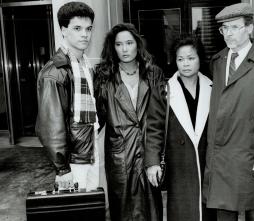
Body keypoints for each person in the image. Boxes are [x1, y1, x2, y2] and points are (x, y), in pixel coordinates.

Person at [202, 3, 254, 221]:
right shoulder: (218, 61)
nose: (228, 34)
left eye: (234, 27)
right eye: (224, 28)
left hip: (251, 158)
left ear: (250, 28)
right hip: (221, 160)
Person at [94, 23, 163, 221]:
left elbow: (160, 116)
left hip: (149, 153)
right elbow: (97, 118)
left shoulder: (153, 73)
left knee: (152, 210)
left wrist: (156, 154)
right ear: (112, 47)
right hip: (120, 156)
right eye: (119, 44)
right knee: (123, 212)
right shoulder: (104, 76)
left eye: (129, 43)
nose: (124, 49)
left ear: (137, 45)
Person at [145, 35, 214, 221]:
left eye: (191, 58)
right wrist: (152, 162)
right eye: (180, 59)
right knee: (182, 211)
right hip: (178, 163)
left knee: (207, 211)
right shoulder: (164, 90)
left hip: (207, 162)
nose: (185, 64)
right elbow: (153, 128)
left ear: (200, 58)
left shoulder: (213, 88)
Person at [35, 2, 99, 191]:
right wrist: (62, 169)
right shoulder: (55, 72)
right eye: (77, 28)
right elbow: (50, 126)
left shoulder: (85, 65)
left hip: (89, 151)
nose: (84, 34)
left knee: (91, 208)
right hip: (73, 161)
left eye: (88, 29)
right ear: (63, 30)